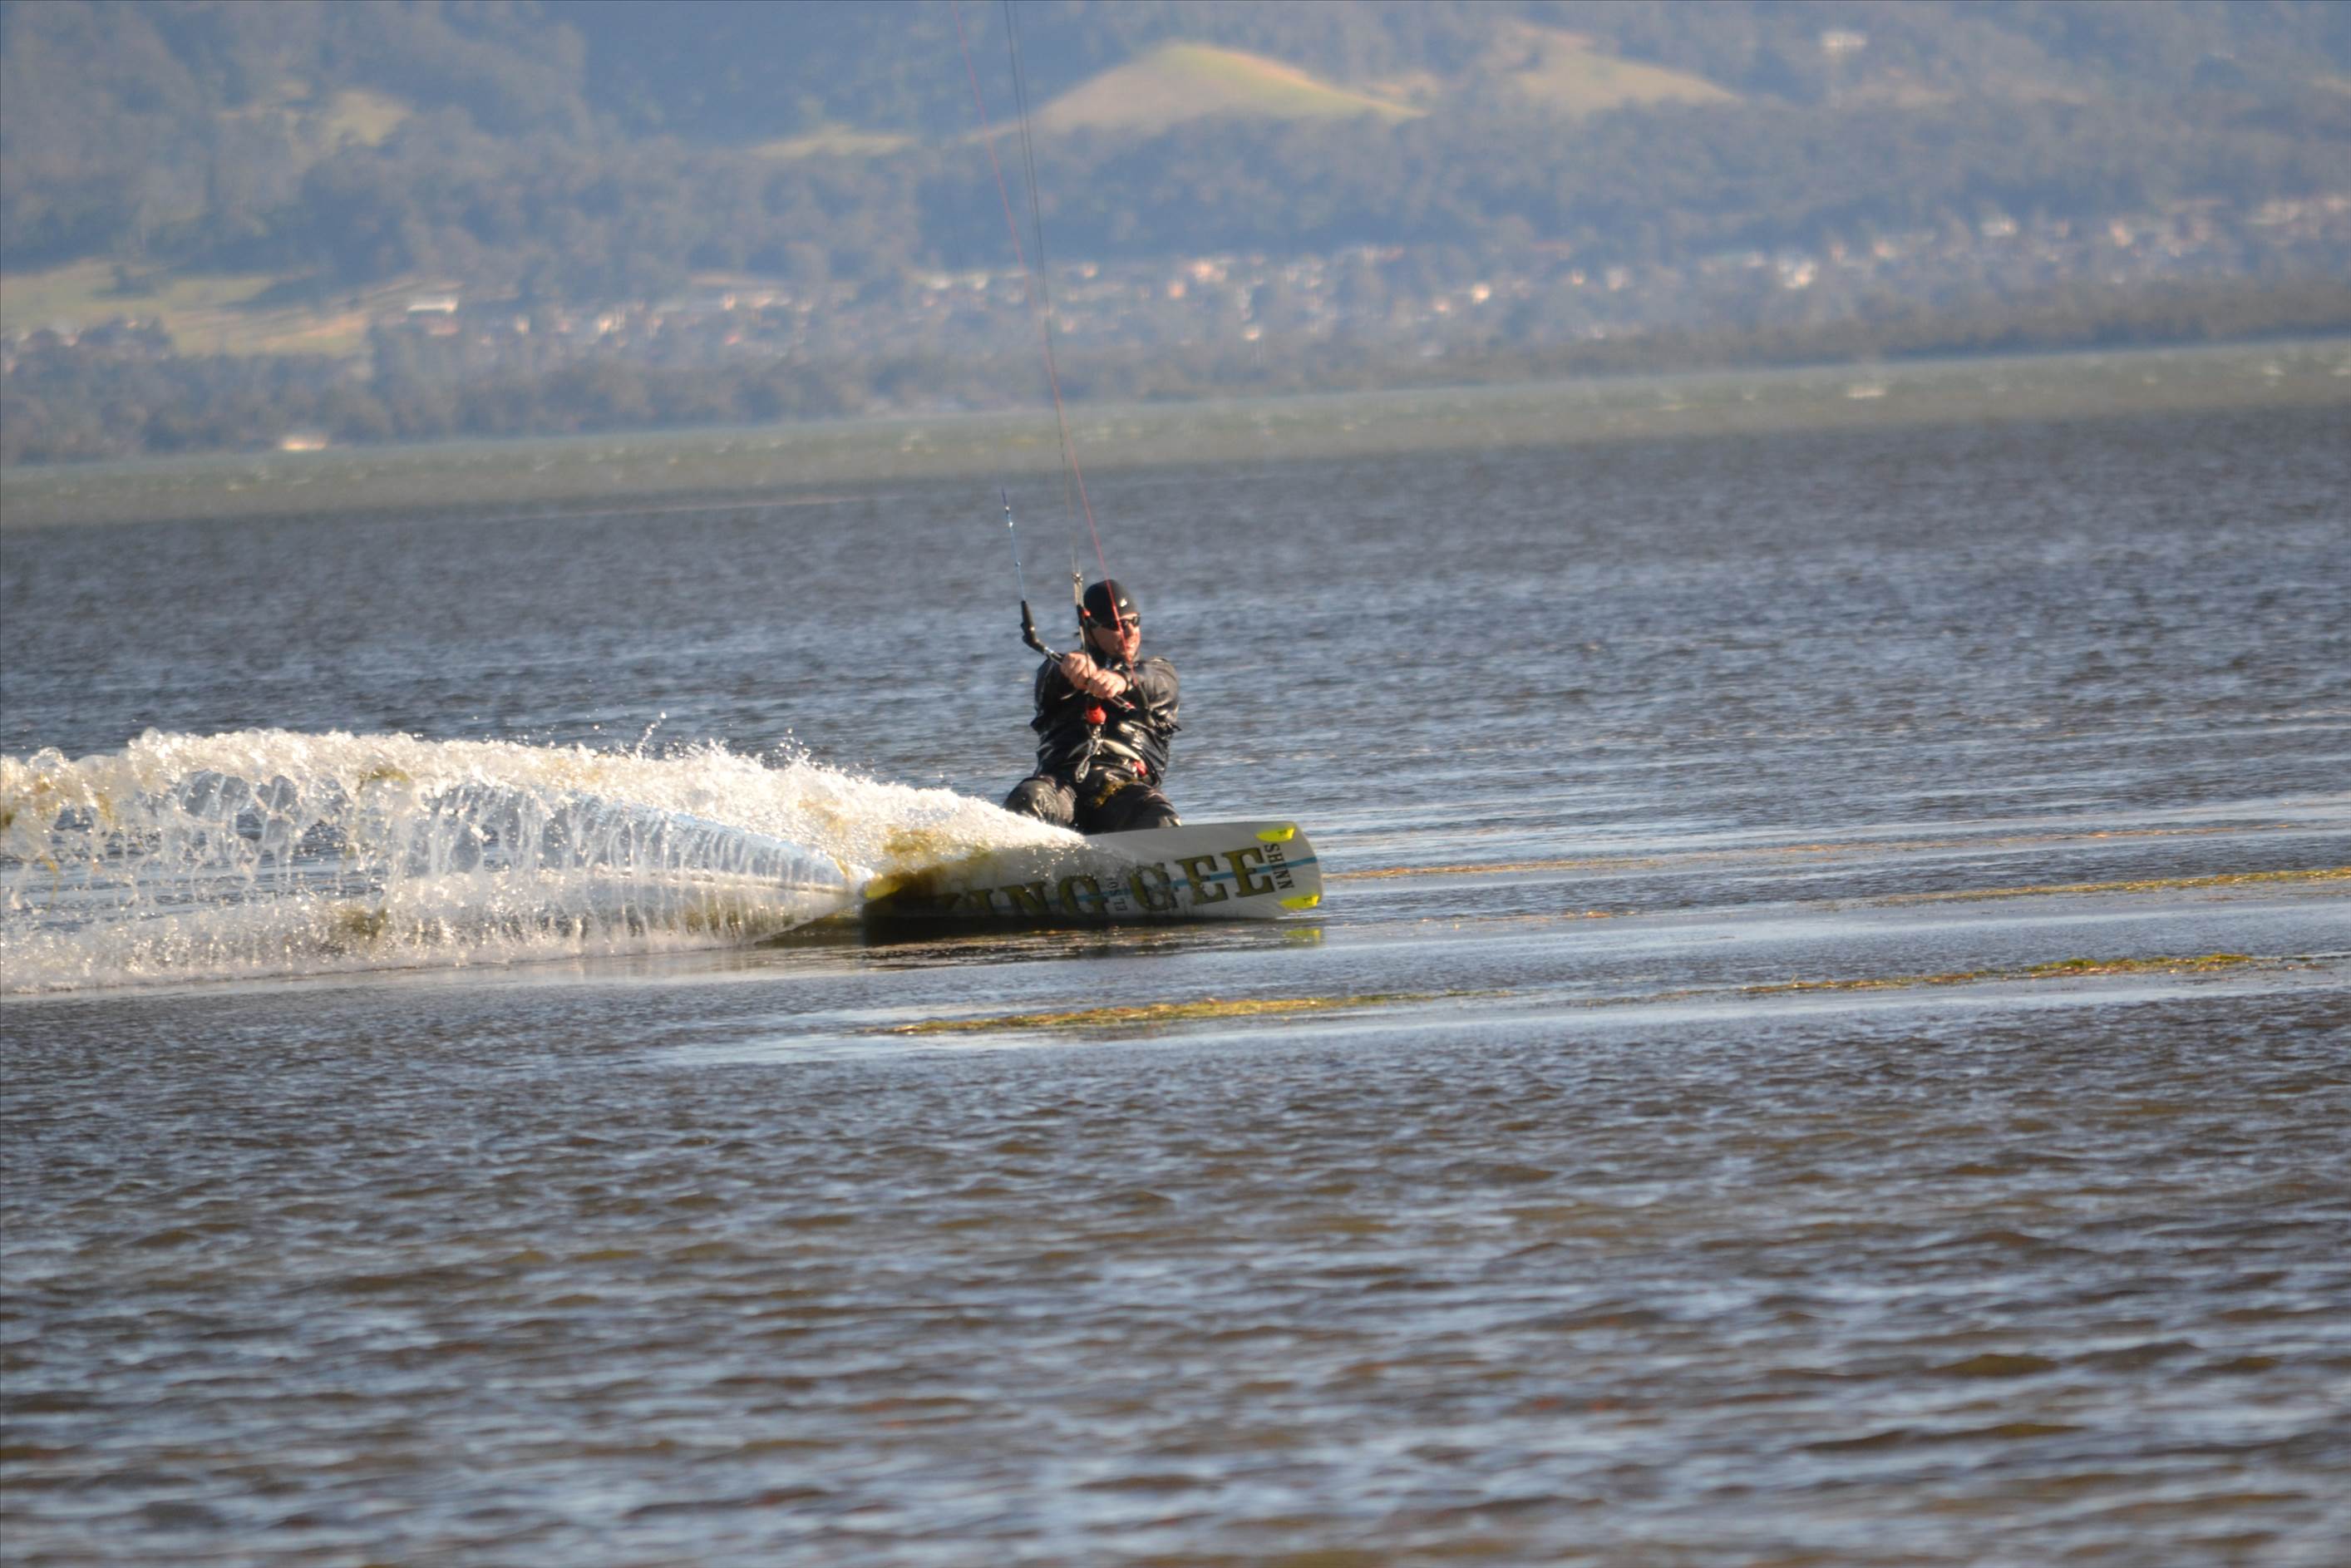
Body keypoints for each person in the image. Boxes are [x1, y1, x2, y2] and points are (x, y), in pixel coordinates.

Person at [1003, 579, 1182, 834]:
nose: (1130, 632)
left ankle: (1161, 857)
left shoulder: (1158, 673)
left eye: (1134, 621)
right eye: (1115, 625)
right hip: (1061, 788)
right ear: (1088, 628)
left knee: (1160, 816)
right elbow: (1051, 678)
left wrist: (1121, 680)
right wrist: (1069, 667)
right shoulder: (1057, 671)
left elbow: (1156, 681)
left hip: (1122, 791)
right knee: (1029, 796)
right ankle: (1011, 857)